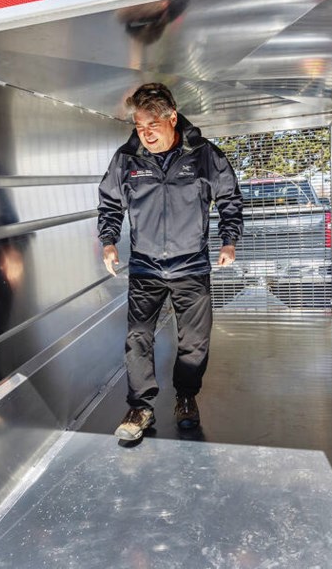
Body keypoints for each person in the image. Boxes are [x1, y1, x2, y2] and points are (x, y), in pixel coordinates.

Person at [97, 83, 243, 441]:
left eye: (152, 126)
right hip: (146, 266)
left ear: (172, 118)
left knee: (194, 341)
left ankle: (186, 398)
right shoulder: (126, 159)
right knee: (138, 338)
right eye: (138, 126)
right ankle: (140, 406)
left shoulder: (204, 155)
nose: (144, 134)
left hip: (191, 266)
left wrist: (230, 240)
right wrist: (109, 241)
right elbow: (110, 202)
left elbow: (229, 197)